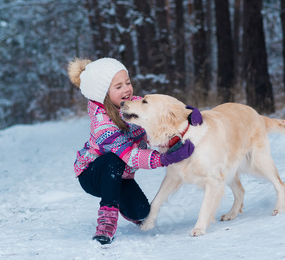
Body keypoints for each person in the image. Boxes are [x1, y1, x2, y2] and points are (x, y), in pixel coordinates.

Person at [67, 57, 196, 244]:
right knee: (114, 159)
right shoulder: (102, 123)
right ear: (103, 93)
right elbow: (130, 156)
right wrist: (164, 159)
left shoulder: (136, 104)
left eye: (127, 82)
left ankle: (124, 204)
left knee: (142, 212)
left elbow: (160, 117)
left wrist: (186, 115)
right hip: (92, 175)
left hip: (121, 177)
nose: (126, 89)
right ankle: (106, 220)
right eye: (118, 87)